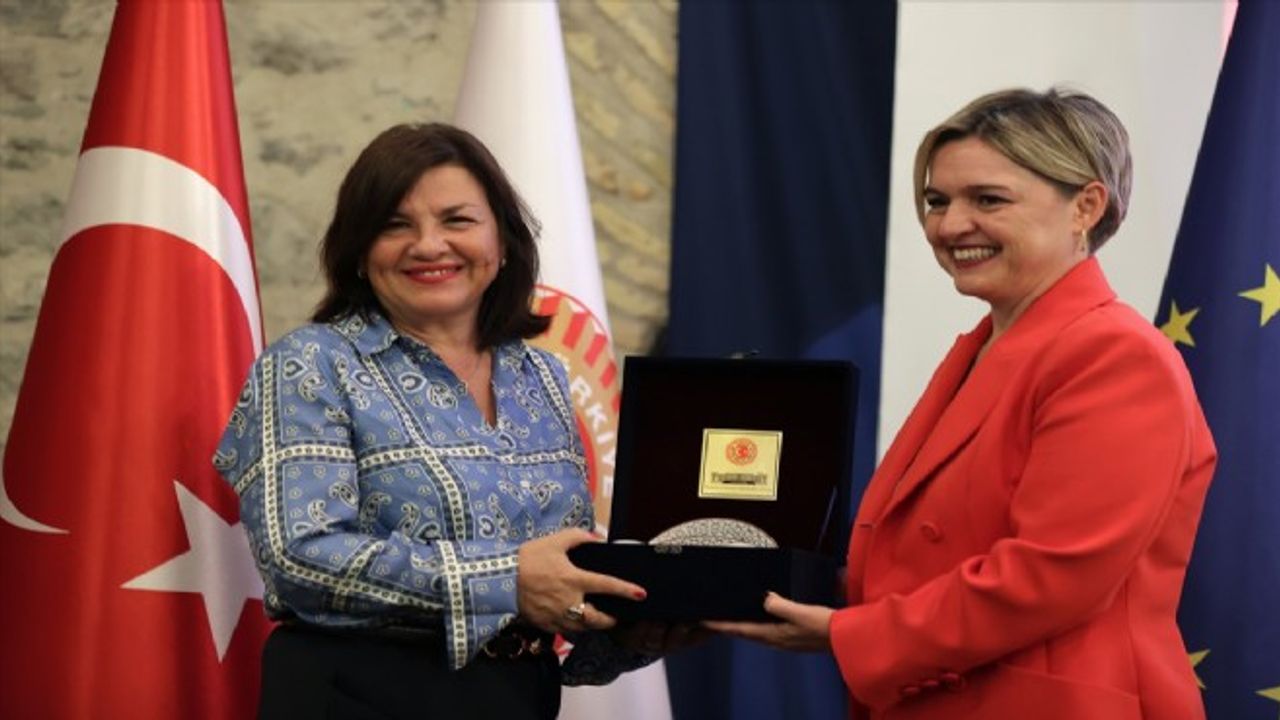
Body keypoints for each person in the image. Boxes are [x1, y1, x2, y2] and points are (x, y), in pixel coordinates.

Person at [708, 88, 1216, 720]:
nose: (949, 226)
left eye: (988, 199)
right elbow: (930, 560)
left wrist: (852, 633)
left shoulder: (1114, 355)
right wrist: (783, 583)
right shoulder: (988, 349)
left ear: (1086, 206)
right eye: (937, 201)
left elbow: (1050, 577)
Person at [215, 123, 663, 719]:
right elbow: (298, 558)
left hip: (517, 696)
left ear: (503, 242)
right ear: (359, 251)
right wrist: (506, 579)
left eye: (457, 220)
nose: (428, 245)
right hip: (359, 697)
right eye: (394, 225)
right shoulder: (309, 365)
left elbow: (555, 583)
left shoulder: (542, 376)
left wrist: (634, 626)